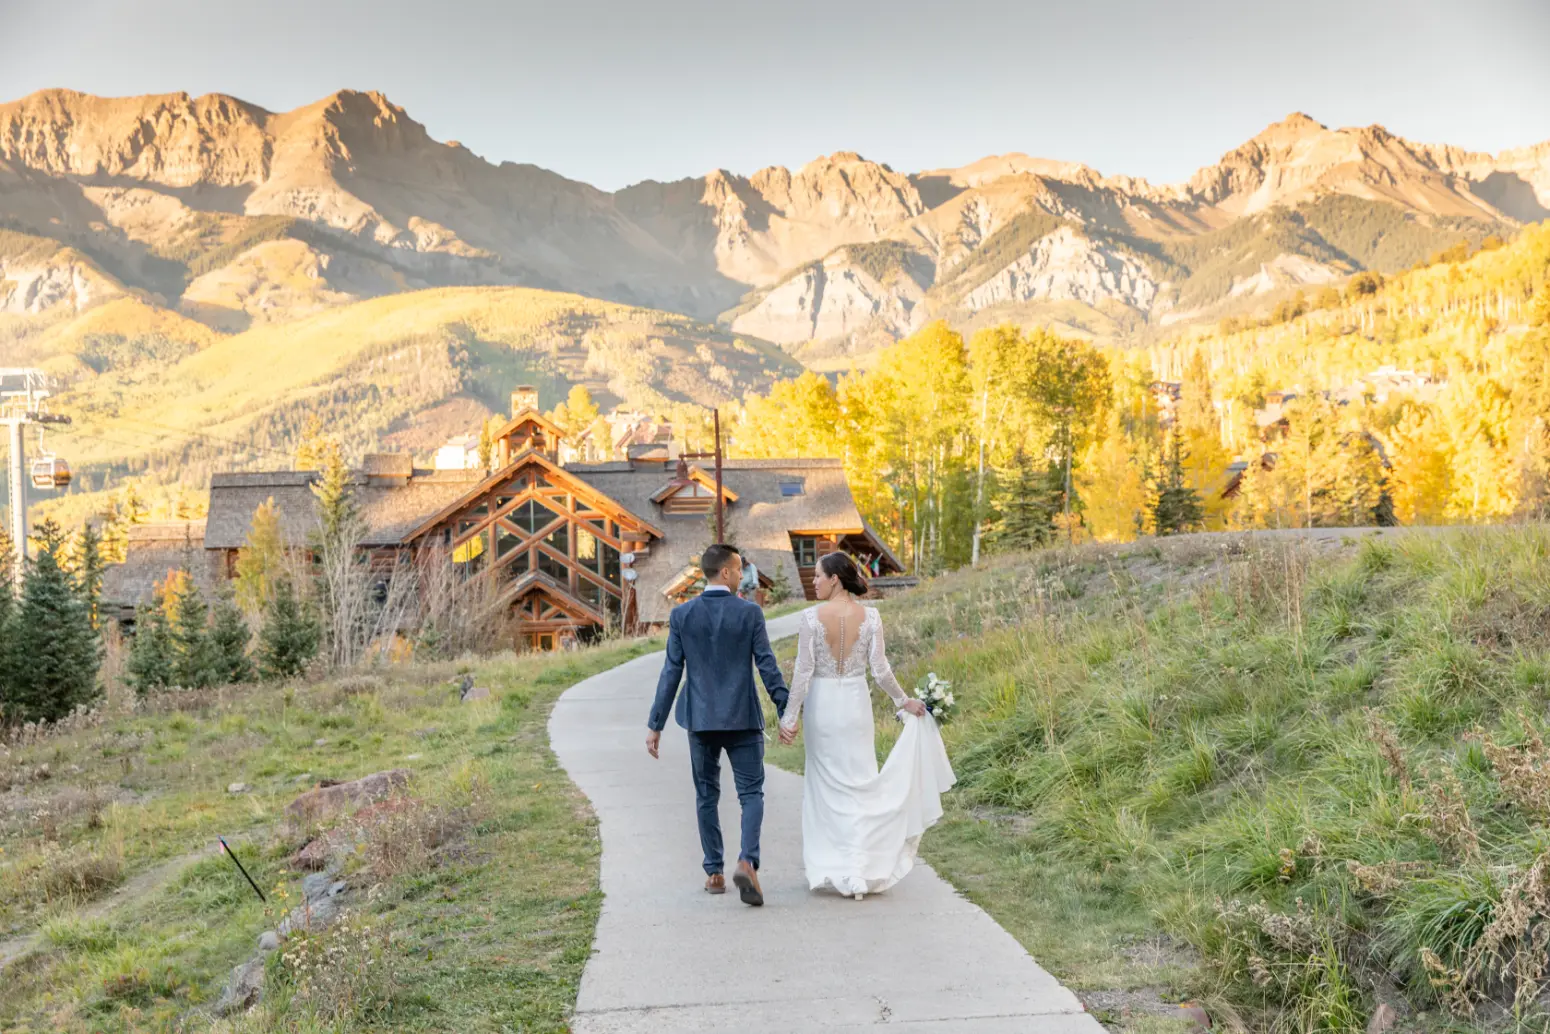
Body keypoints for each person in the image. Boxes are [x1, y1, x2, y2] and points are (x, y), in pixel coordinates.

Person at [777, 551, 956, 900]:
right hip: (856, 706)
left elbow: (803, 672)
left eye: (817, 576)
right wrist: (902, 701)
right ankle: (860, 868)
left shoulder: (811, 619)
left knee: (827, 786)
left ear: (835, 579)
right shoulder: (871, 617)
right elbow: (880, 670)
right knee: (859, 781)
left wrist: (790, 717)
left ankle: (835, 866)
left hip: (823, 707)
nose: (813, 582)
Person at [646, 543, 789, 906]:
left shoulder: (682, 616)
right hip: (742, 718)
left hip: (701, 720)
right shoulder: (750, 613)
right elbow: (767, 665)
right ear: (725, 572)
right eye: (739, 569)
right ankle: (747, 861)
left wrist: (656, 724)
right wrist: (786, 708)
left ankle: (714, 872)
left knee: (706, 794)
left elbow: (671, 672)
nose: (743, 575)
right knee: (751, 793)